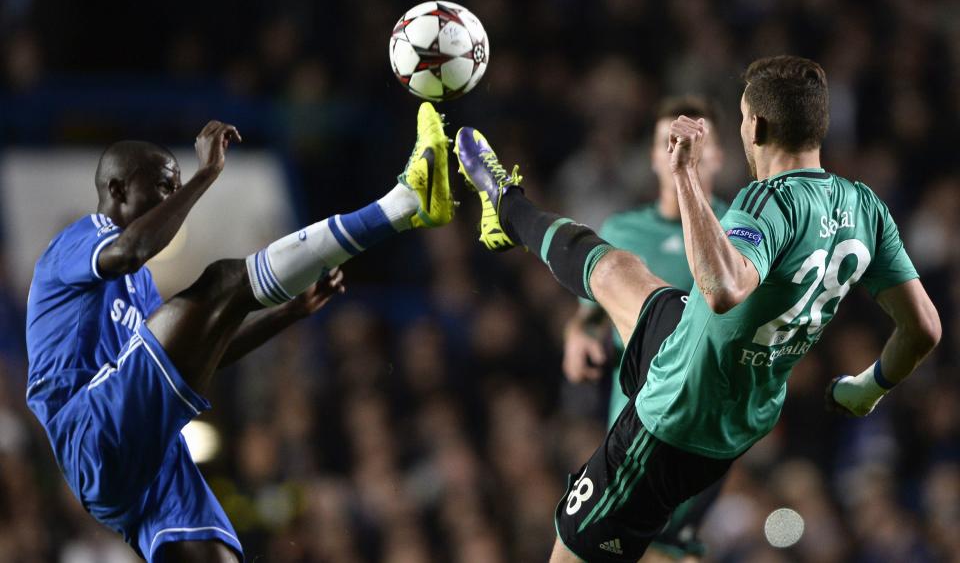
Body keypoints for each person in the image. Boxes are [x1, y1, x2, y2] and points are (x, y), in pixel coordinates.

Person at [454, 55, 941, 563]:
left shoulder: (769, 200)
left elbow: (723, 288)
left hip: (678, 415)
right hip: (730, 389)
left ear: (757, 126)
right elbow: (923, 327)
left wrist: (684, 174)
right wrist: (868, 388)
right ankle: (506, 208)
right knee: (618, 270)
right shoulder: (865, 207)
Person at [25, 103, 454, 562]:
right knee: (222, 282)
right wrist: (205, 173)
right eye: (164, 188)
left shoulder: (141, 286)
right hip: (88, 426)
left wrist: (286, 315)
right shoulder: (78, 239)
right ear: (117, 189)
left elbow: (199, 355)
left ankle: (406, 204)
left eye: (177, 187)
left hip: (146, 463)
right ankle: (402, 204)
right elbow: (131, 251)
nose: (174, 200)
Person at [563, 95, 726, 563]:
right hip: (628, 426)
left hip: (696, 434)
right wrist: (578, 335)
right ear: (655, 156)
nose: (680, 149)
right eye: (666, 142)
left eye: (696, 141)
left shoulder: (741, 232)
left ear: (716, 155)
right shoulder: (624, 231)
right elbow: (590, 311)